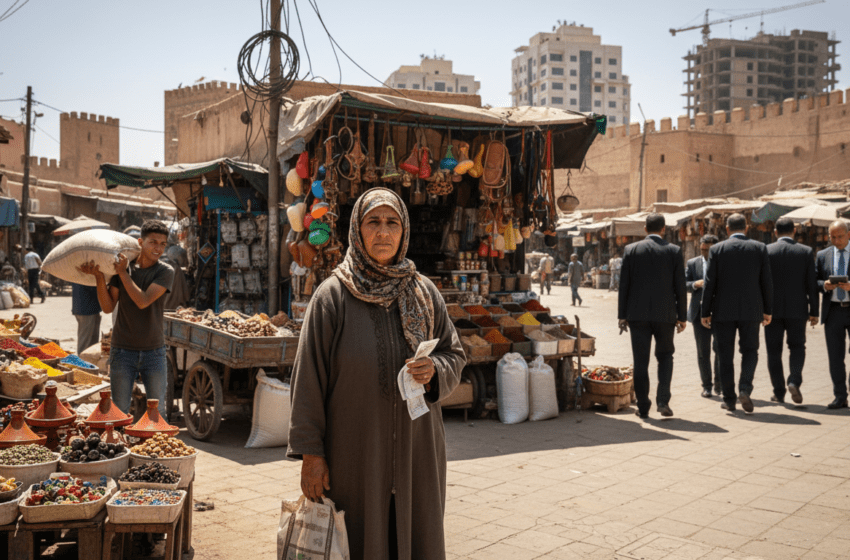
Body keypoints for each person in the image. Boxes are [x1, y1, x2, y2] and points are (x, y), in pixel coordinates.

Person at [287, 188, 465, 560]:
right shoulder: (332, 297)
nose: (383, 232)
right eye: (373, 222)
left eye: (392, 223)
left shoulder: (424, 292)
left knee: (417, 538)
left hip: (418, 453)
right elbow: (308, 380)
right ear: (357, 229)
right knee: (359, 541)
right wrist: (310, 455)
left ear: (404, 232)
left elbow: (454, 354)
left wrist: (435, 370)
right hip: (355, 459)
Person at [80, 220, 174, 417]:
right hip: (122, 350)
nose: (158, 248)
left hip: (154, 352)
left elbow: (143, 300)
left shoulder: (165, 272)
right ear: (141, 242)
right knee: (120, 411)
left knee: (158, 412)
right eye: (153, 242)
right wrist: (98, 277)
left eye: (163, 244)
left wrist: (122, 273)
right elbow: (107, 307)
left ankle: (155, 447)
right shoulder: (122, 269)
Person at [701, 214, 772, 413]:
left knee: (725, 355)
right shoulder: (759, 248)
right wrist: (768, 310)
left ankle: (730, 399)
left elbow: (710, 283)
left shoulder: (717, 249)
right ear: (746, 228)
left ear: (727, 228)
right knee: (750, 351)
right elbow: (766, 281)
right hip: (751, 311)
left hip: (723, 312)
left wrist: (705, 311)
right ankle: (745, 388)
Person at [618, 213, 687, 418]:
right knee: (665, 357)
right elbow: (680, 287)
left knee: (641, 361)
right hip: (665, 315)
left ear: (645, 229)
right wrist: (682, 317)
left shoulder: (631, 250)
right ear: (663, 229)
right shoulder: (673, 251)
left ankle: (643, 405)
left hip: (637, 315)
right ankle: (663, 401)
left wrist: (622, 315)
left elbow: (624, 285)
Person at [765, 218, 818, 404]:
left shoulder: (767, 251)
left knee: (773, 351)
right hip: (798, 310)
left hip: (771, 311)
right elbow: (811, 284)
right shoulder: (805, 251)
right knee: (797, 347)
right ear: (794, 231)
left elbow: (761, 283)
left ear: (775, 231)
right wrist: (814, 311)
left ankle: (778, 393)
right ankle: (794, 381)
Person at [816, 220, 850, 409]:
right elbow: (814, 281)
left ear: (849, 235)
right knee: (835, 357)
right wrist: (824, 285)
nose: (836, 241)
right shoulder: (822, 255)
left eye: (840, 236)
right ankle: (840, 396)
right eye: (832, 237)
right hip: (833, 311)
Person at [686, 235, 721, 398]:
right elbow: (683, 283)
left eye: (708, 250)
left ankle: (720, 383)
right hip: (698, 313)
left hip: (719, 313)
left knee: (720, 349)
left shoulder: (723, 263)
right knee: (703, 352)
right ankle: (707, 385)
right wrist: (694, 284)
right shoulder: (693, 263)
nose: (705, 252)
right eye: (702, 250)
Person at [72, 283, 102, 355]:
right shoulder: (85, 274)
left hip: (87, 307)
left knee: (91, 343)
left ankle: (87, 362)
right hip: (86, 308)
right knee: (85, 344)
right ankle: (81, 363)